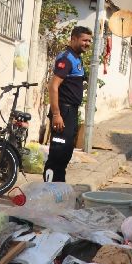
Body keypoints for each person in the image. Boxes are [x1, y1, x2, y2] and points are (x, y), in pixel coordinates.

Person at [43, 26, 93, 182]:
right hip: (63, 113)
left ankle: (59, 189)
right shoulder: (66, 58)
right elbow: (53, 86)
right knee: (57, 154)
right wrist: (57, 114)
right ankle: (48, 191)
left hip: (71, 112)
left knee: (65, 153)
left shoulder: (76, 57)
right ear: (74, 39)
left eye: (89, 41)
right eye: (84, 40)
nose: (88, 43)